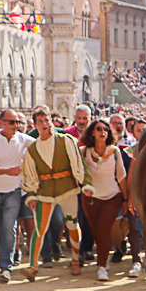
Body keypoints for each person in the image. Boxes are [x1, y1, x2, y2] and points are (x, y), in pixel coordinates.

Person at [21, 106, 94, 281]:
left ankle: (75, 260)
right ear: (35, 125)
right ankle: (32, 266)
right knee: (40, 228)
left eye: (46, 120)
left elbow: (80, 163)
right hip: (45, 191)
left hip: (67, 188)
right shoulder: (32, 150)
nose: (44, 123)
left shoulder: (66, 141)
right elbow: (30, 175)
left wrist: (86, 183)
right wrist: (31, 195)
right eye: (40, 121)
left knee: (72, 224)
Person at [0, 109, 36, 283]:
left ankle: (5, 267)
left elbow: (43, 143)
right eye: (12, 122)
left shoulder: (23, 139)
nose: (16, 125)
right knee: (0, 229)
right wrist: (6, 171)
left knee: (9, 228)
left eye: (18, 122)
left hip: (13, 192)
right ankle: (7, 259)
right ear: (2, 123)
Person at [80, 118, 128, 281]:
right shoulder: (83, 152)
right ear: (92, 132)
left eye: (106, 129)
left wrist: (126, 199)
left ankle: (101, 267)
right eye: (99, 129)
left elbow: (121, 177)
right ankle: (104, 258)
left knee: (103, 229)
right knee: (96, 231)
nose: (103, 132)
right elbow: (78, 173)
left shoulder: (115, 152)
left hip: (112, 197)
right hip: (90, 198)